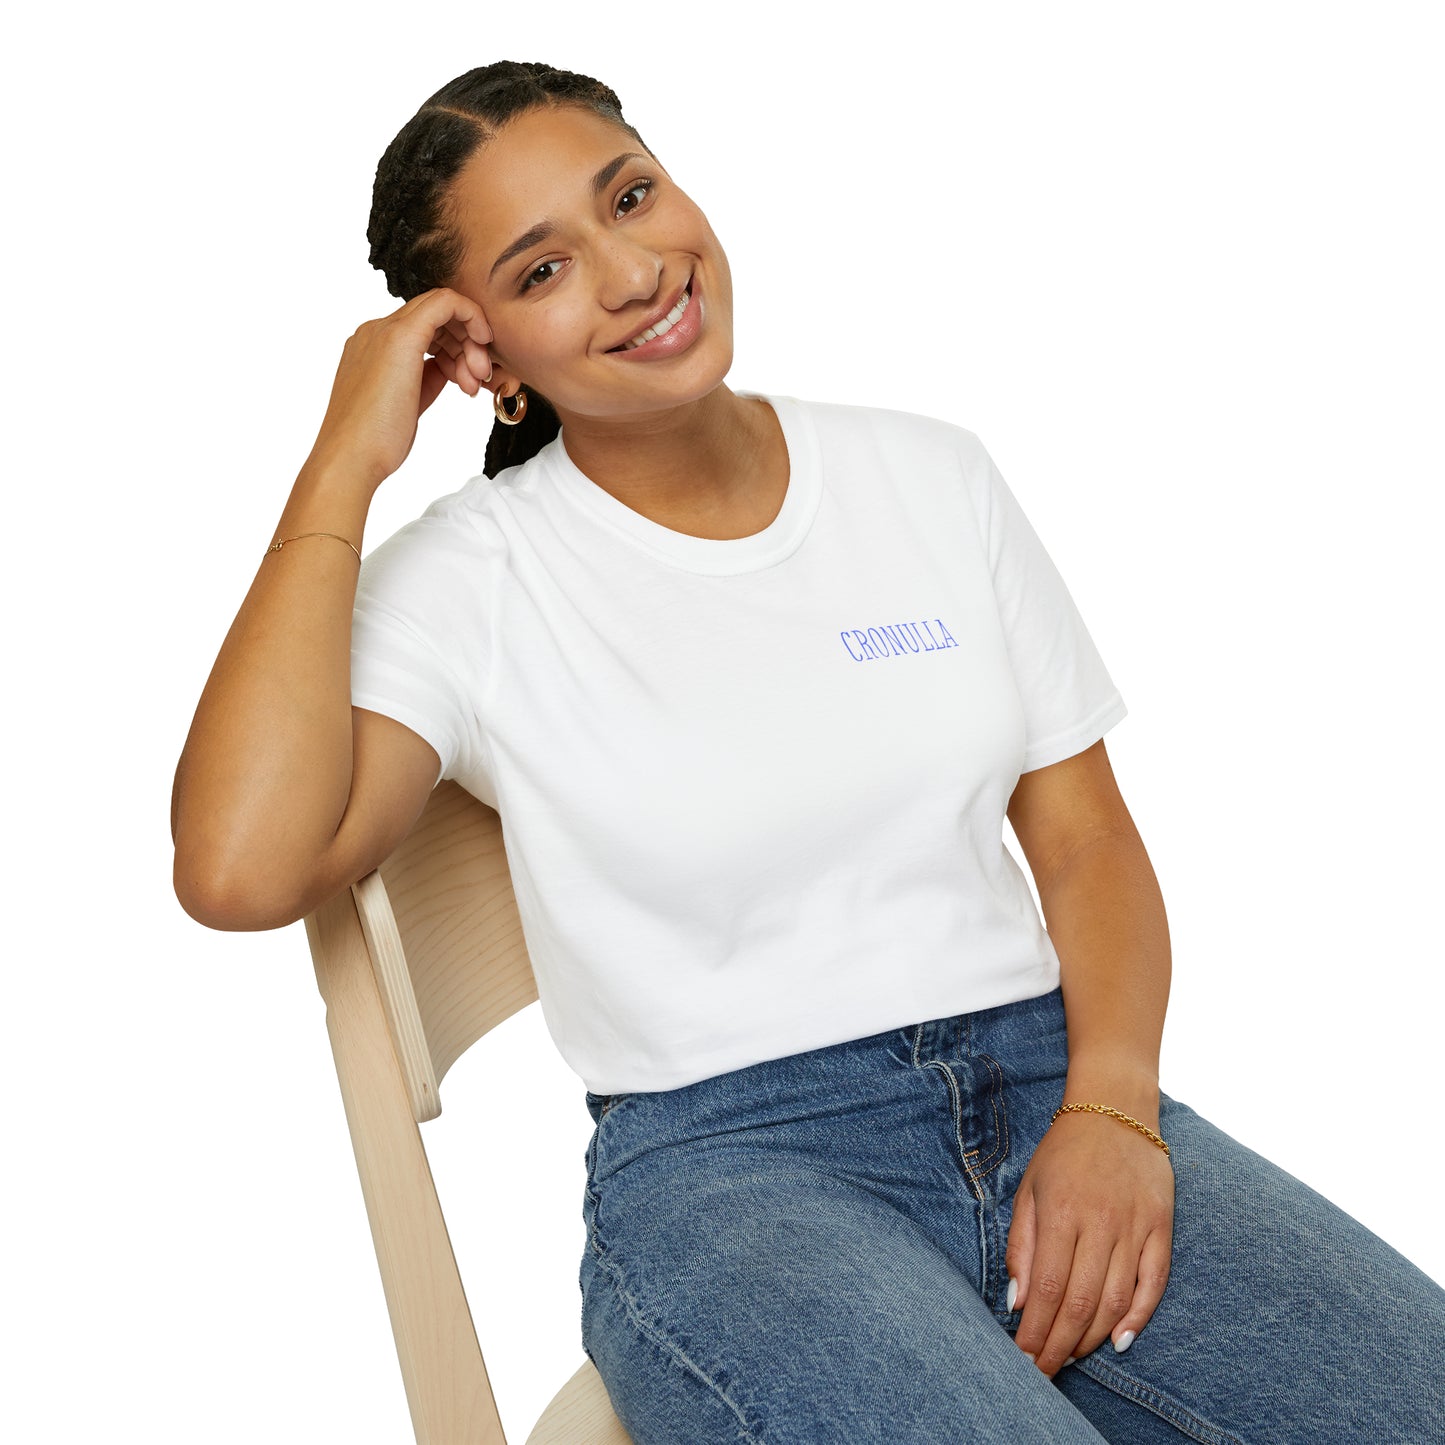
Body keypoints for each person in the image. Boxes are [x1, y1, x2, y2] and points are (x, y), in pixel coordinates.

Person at [171, 60, 1445, 1443]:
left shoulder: (928, 474)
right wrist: (340, 462)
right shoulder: (473, 578)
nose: (633, 270)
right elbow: (240, 867)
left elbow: (1083, 843)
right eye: (542, 271)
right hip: (732, 1175)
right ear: (481, 357)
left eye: (632, 196)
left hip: (1048, 1085)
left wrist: (1114, 1110)